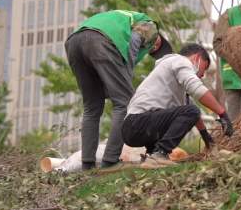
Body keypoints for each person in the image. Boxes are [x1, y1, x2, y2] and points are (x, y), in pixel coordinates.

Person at [65, 9, 171, 170]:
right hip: (100, 40)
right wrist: (126, 81)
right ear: (158, 41)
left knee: (92, 107)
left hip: (74, 42)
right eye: (153, 47)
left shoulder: (123, 18)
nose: (150, 48)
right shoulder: (151, 27)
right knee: (126, 103)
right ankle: (110, 161)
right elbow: (135, 42)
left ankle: (87, 165)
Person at [122, 43, 234, 168]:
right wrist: (223, 114)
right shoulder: (180, 61)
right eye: (204, 68)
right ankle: (160, 154)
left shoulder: (171, 75)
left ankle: (152, 156)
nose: (202, 75)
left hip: (136, 126)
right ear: (197, 58)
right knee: (191, 111)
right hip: (137, 123)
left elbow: (191, 111)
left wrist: (208, 140)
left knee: (188, 111)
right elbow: (196, 92)